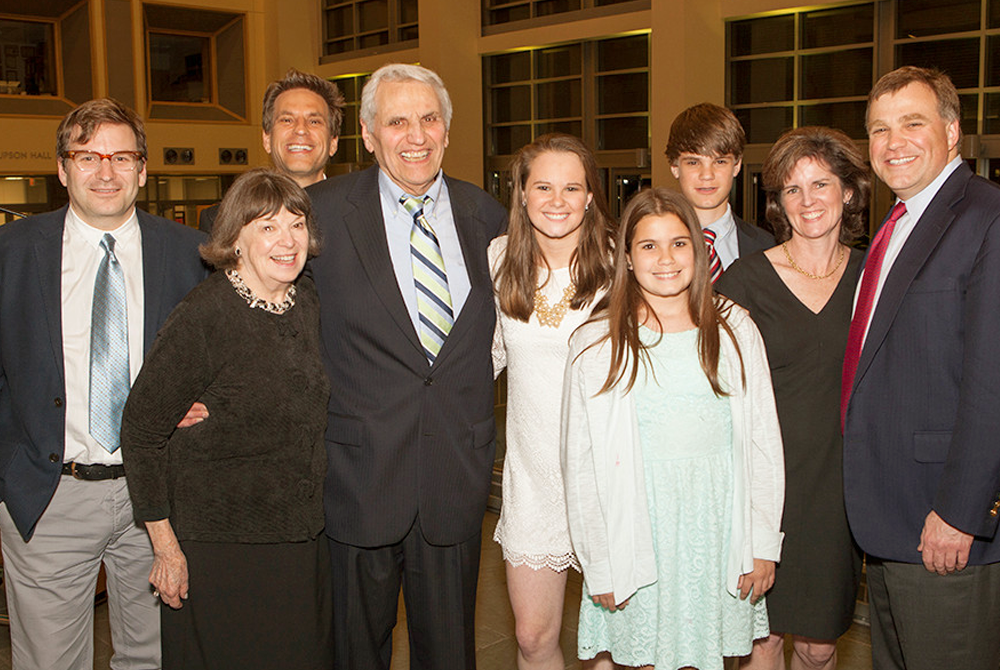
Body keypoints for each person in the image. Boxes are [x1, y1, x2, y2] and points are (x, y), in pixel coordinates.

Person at [307, 63, 507, 670]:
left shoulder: (491, 218)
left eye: (428, 119)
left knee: (449, 654)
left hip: (454, 472)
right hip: (359, 476)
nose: (415, 135)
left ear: (447, 130)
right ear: (368, 134)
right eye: (397, 121)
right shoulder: (318, 214)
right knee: (353, 654)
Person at [0, 98, 206, 670]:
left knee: (155, 657)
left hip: (160, 496)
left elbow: (222, 360)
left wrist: (207, 402)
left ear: (143, 170)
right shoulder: (11, 254)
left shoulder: (191, 255)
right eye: (87, 156)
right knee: (49, 661)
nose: (106, 171)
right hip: (49, 495)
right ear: (62, 169)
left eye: (122, 156)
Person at [562, 187, 784, 670]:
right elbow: (579, 469)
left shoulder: (735, 329)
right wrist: (599, 560)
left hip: (717, 529)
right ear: (625, 257)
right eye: (648, 245)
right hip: (637, 530)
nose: (666, 258)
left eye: (679, 243)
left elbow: (764, 443)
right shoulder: (596, 344)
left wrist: (764, 543)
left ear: (700, 251)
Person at [120, 168, 331, 670]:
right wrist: (166, 549)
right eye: (268, 226)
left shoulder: (307, 304)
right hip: (220, 549)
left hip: (298, 543)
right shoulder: (205, 315)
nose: (287, 240)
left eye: (296, 224)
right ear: (235, 238)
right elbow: (141, 430)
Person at [842, 66, 1000, 670]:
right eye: (879, 129)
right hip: (890, 522)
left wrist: (961, 512)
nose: (892, 142)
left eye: (913, 123)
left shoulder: (986, 219)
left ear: (953, 131)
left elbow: (992, 383)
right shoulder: (897, 224)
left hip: (945, 525)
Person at [716, 127, 869, 670]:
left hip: (836, 492)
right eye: (792, 189)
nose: (808, 201)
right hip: (762, 489)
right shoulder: (744, 282)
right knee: (764, 639)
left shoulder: (874, 276)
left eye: (821, 184)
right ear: (778, 200)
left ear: (848, 191)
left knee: (820, 644)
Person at [489, 133, 615, 670]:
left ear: (590, 196)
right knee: (533, 637)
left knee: (616, 644)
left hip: (611, 478)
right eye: (543, 186)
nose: (557, 199)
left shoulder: (623, 262)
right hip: (534, 479)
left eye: (572, 187)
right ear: (521, 193)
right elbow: (479, 361)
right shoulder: (498, 260)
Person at [199, 68, 344, 233]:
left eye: (314, 121)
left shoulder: (365, 217)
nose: (301, 130)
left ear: (333, 142)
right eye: (287, 120)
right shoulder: (220, 222)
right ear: (267, 139)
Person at [666, 103, 774, 281]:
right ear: (675, 167)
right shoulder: (649, 248)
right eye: (693, 162)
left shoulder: (768, 247)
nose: (707, 175)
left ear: (737, 165)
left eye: (720, 162)